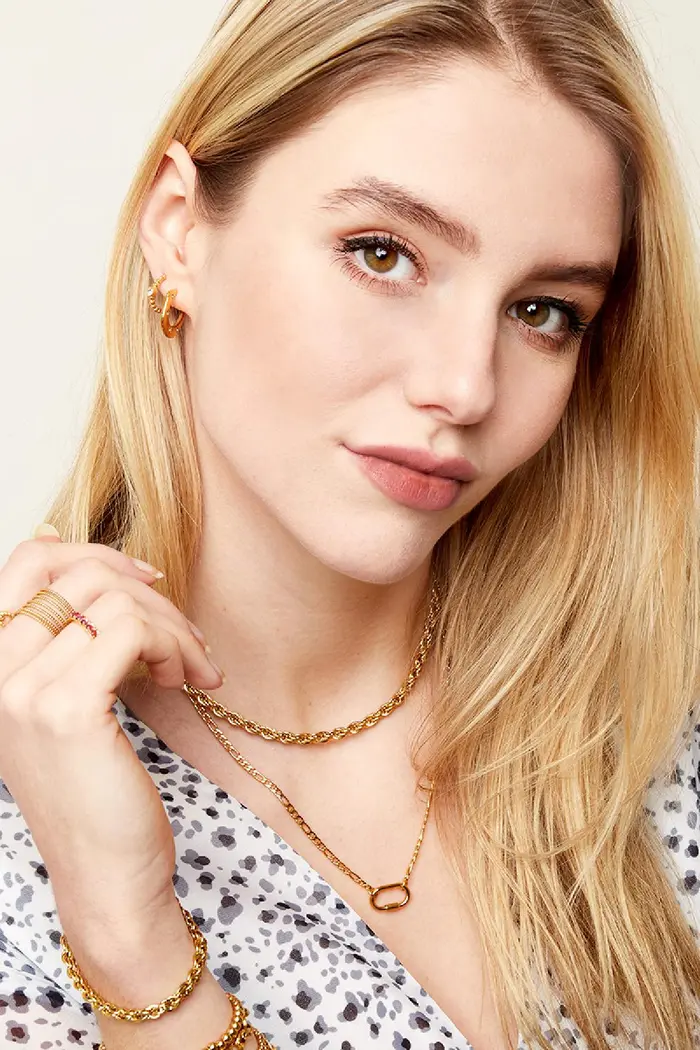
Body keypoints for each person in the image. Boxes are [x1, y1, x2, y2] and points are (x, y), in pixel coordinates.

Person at [1, 0, 699, 1047]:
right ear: (180, 230)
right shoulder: (29, 826)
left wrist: (138, 960)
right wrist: (122, 938)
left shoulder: (651, 718)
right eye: (382, 254)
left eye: (542, 310)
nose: (464, 386)